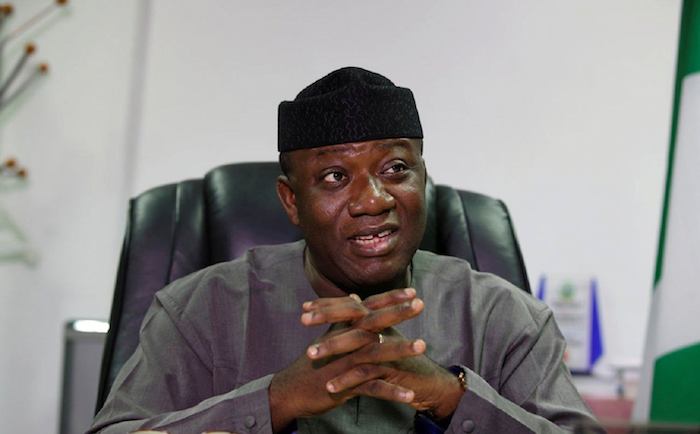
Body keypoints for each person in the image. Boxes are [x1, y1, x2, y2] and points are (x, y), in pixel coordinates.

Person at [89, 67, 600, 433]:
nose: (374, 200)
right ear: (292, 201)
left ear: (424, 180)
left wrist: (450, 397)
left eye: (396, 169)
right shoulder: (200, 310)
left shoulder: (504, 317)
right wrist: (275, 400)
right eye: (335, 177)